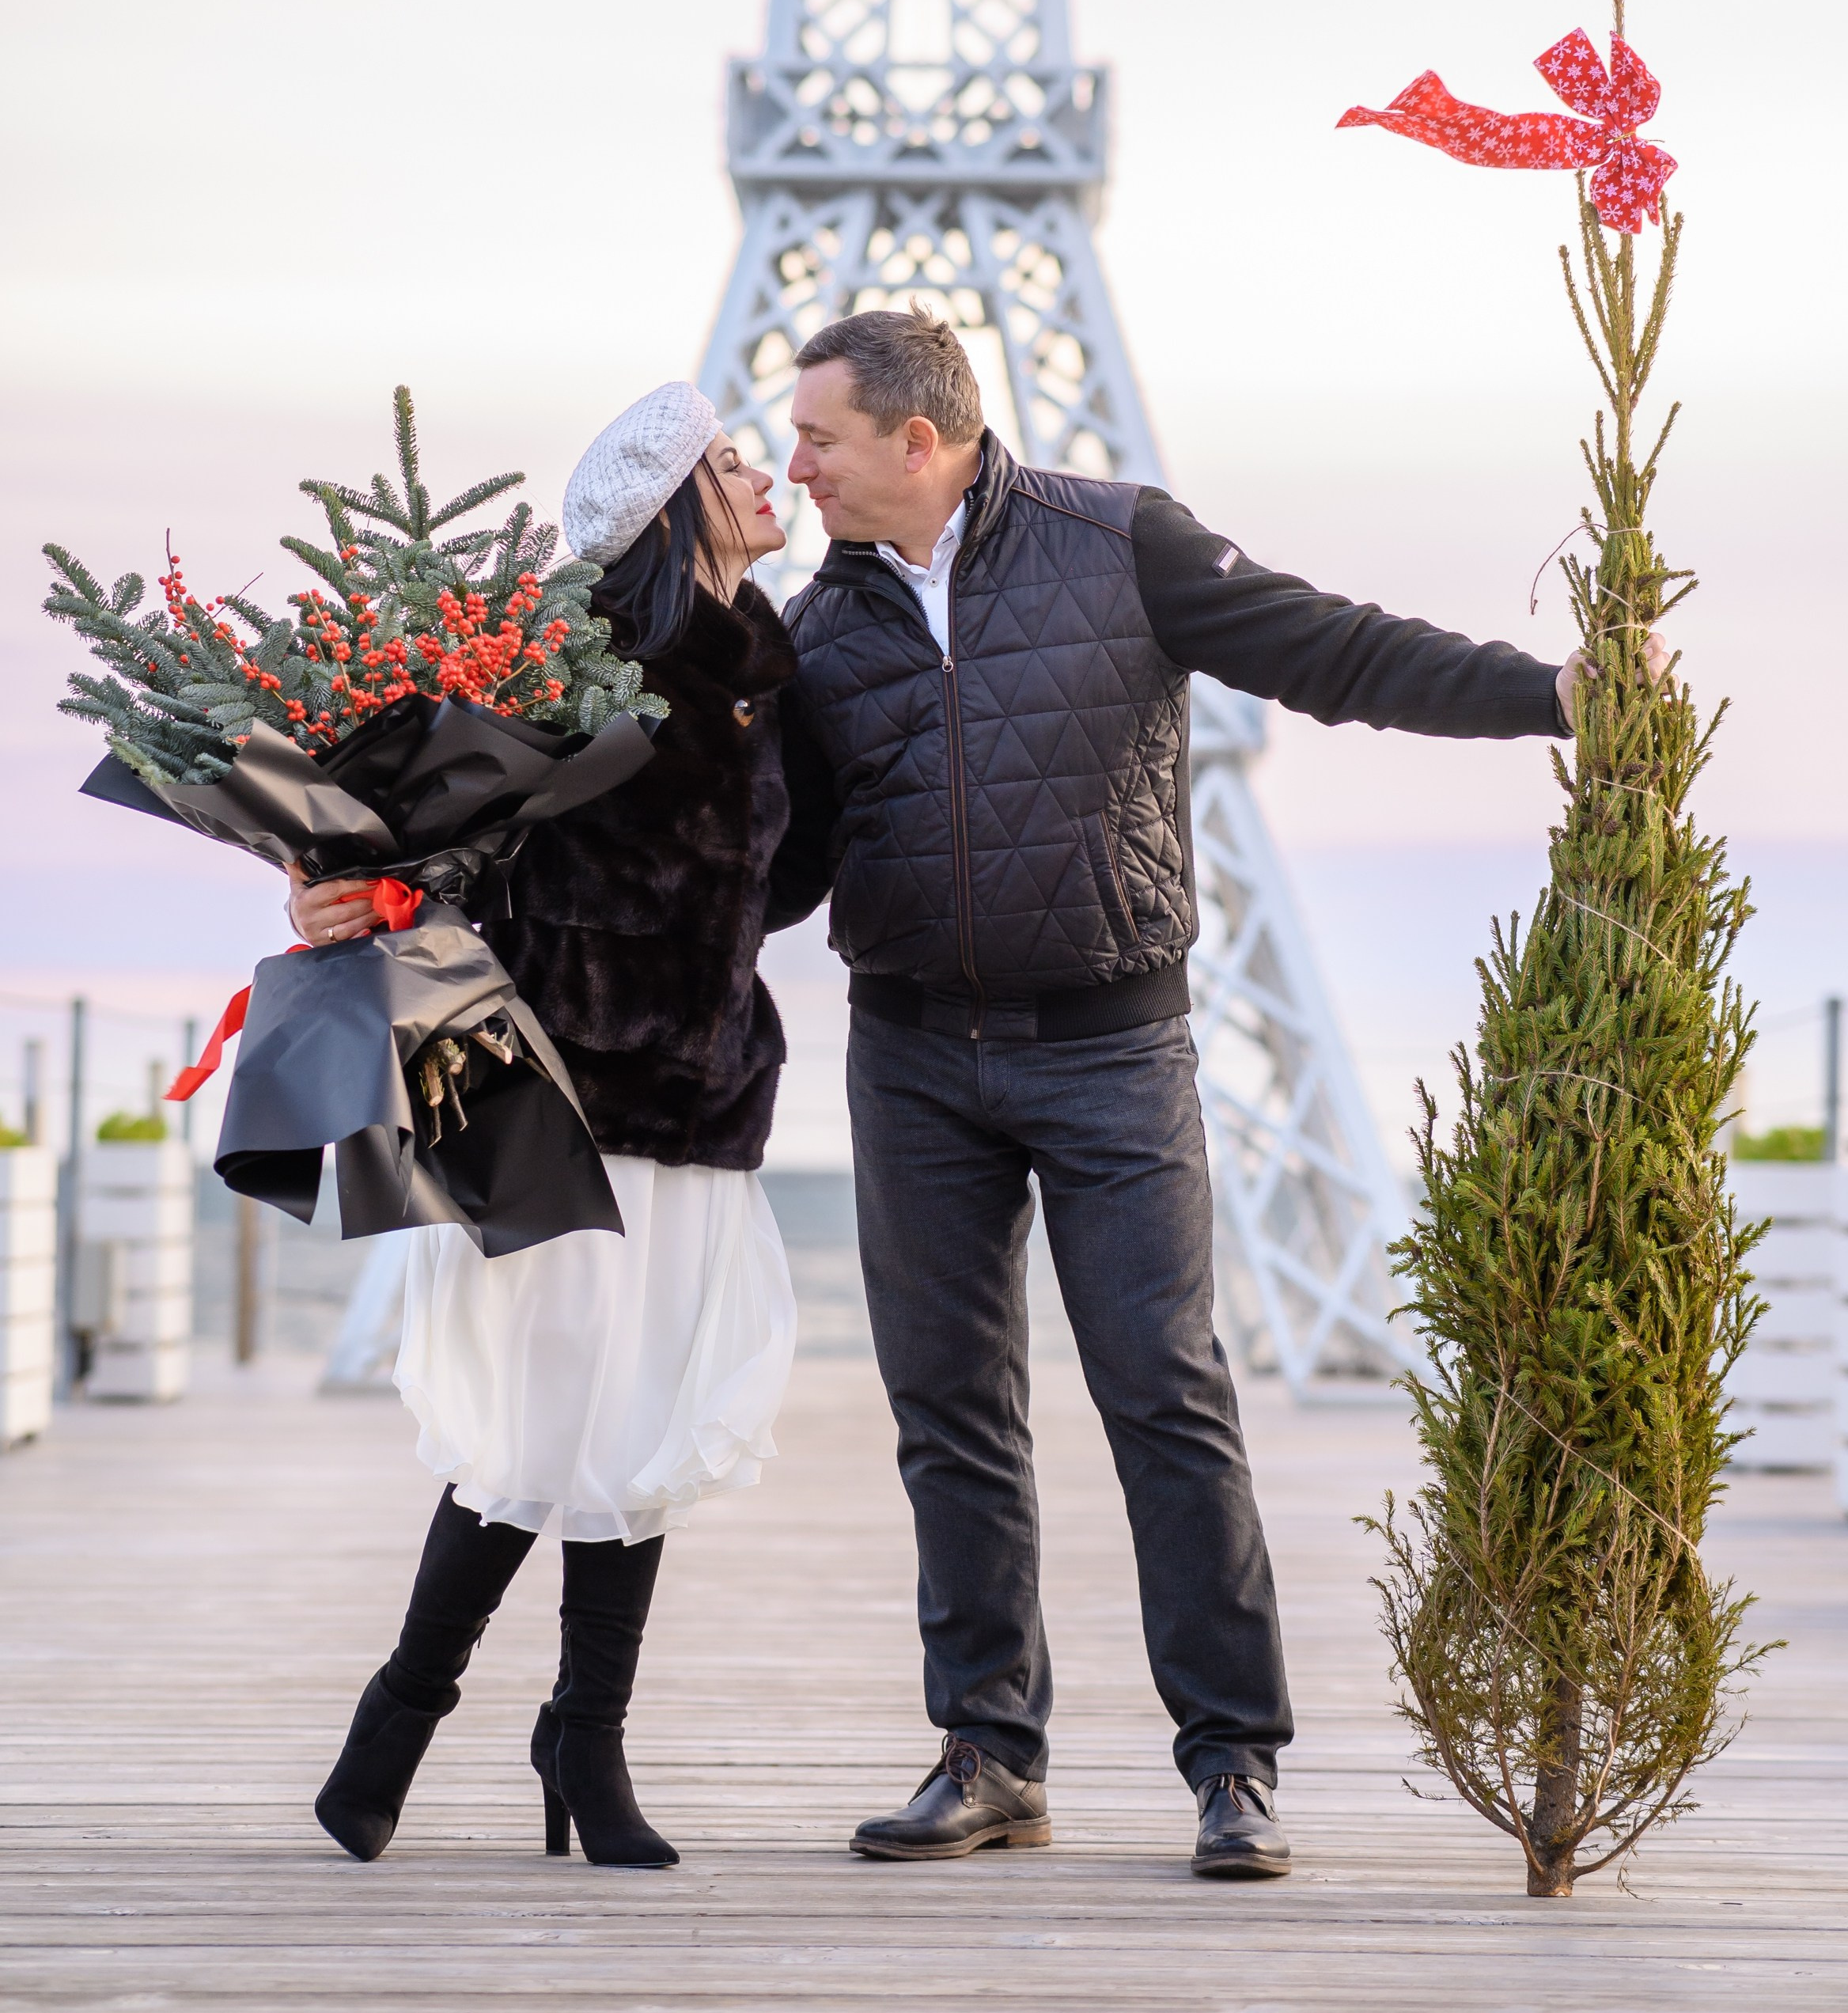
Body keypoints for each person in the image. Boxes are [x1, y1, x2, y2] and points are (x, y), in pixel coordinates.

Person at [771, 304, 1659, 1881]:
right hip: (908, 1052)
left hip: (1112, 1045)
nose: (797, 466)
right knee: (949, 1410)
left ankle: (1232, 1763)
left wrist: (1554, 694)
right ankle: (987, 1752)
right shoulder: (813, 628)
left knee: (1164, 1393)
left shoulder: (1122, 543)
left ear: (919, 439)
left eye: (818, 436)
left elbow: (1335, 649)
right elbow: (763, 869)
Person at [293, 382, 808, 1869]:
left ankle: (585, 1741)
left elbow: (799, 872)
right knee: (540, 1421)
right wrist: (328, 887)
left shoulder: (770, 673)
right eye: (730, 462)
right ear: (668, 510)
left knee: (638, 1420)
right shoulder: (581, 669)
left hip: (705, 1094)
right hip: (556, 1089)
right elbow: (410, 832)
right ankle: (404, 1714)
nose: (764, 475)